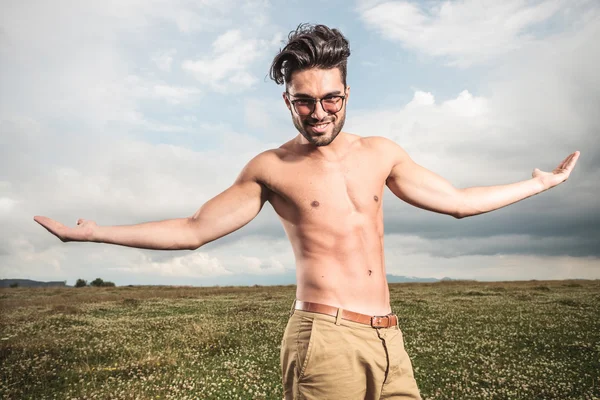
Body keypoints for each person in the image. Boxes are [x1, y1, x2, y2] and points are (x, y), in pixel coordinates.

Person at [34, 24, 580, 400]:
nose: (318, 112)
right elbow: (194, 230)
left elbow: (458, 203)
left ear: (347, 93)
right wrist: (95, 234)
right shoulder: (271, 168)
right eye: (304, 101)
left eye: (330, 99)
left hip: (390, 338)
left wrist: (537, 184)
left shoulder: (382, 153)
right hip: (324, 337)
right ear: (288, 101)